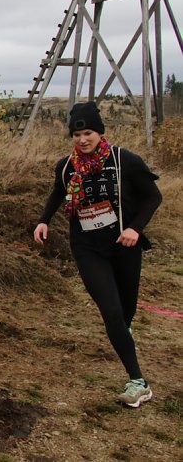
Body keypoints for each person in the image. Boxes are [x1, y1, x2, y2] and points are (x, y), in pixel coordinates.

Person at [33, 102, 162, 408]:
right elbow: (58, 192)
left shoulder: (123, 160)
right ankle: (138, 382)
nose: (82, 139)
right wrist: (43, 220)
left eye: (88, 132)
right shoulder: (66, 166)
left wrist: (135, 228)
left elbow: (152, 196)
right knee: (111, 310)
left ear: (99, 133)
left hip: (124, 245)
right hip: (88, 248)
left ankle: (123, 334)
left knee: (126, 312)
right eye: (77, 134)